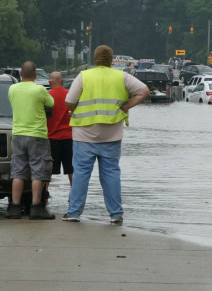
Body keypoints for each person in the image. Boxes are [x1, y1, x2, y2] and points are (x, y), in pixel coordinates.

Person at [63, 45, 149, 225]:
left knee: (81, 174)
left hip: (84, 134)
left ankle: (74, 212)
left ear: (95, 59)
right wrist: (126, 106)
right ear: (111, 60)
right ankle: (115, 214)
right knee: (111, 173)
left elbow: (69, 101)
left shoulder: (84, 76)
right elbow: (143, 91)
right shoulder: (122, 77)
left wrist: (75, 109)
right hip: (111, 135)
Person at [7, 61, 55, 220]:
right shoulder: (39, 89)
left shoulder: (12, 89)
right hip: (37, 135)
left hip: (18, 134)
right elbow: (51, 103)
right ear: (35, 75)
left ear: (20, 74)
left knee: (18, 171)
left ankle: (14, 207)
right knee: (38, 171)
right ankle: (36, 208)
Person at [47, 71, 74, 185]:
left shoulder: (47, 96)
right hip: (69, 137)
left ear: (49, 82)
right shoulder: (70, 95)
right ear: (62, 81)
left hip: (51, 138)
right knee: (72, 169)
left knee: (47, 170)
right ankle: (74, 194)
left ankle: (45, 194)